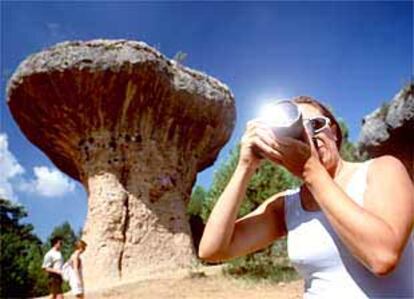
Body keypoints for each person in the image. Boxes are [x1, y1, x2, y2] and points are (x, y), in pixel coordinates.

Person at [198, 96, 414, 298]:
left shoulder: (381, 169)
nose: (309, 135)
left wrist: (311, 172)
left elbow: (382, 257)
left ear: (335, 132)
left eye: (316, 125)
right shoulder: (287, 205)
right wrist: (245, 166)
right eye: (297, 130)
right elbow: (212, 250)